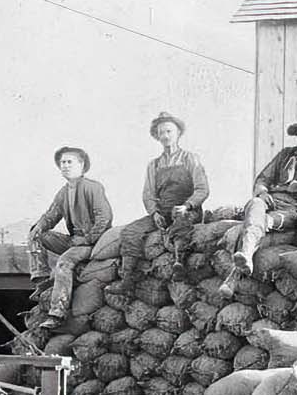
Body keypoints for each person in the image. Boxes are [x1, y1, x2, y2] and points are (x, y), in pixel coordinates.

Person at [227, 109, 297, 283]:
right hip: (270, 199)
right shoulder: (285, 155)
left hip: (292, 209)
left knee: (264, 222)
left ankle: (237, 271)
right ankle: (247, 255)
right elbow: (263, 179)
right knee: (254, 204)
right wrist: (262, 192)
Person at [111, 111, 209, 288]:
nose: (165, 136)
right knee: (130, 232)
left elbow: (202, 189)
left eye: (169, 131)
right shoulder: (154, 165)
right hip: (162, 211)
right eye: (161, 133)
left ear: (178, 133)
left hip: (187, 210)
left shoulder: (190, 159)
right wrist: (154, 213)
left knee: (181, 224)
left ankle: (179, 263)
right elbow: (148, 194)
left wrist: (187, 206)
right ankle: (127, 278)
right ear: (156, 136)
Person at [27, 146, 112, 330]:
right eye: (62, 163)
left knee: (65, 262)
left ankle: (58, 313)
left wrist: (87, 239)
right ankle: (41, 280)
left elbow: (104, 218)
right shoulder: (64, 192)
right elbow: (51, 215)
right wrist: (39, 227)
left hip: (92, 242)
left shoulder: (93, 187)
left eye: (69, 162)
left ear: (81, 165)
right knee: (37, 234)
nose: (65, 166)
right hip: (73, 240)